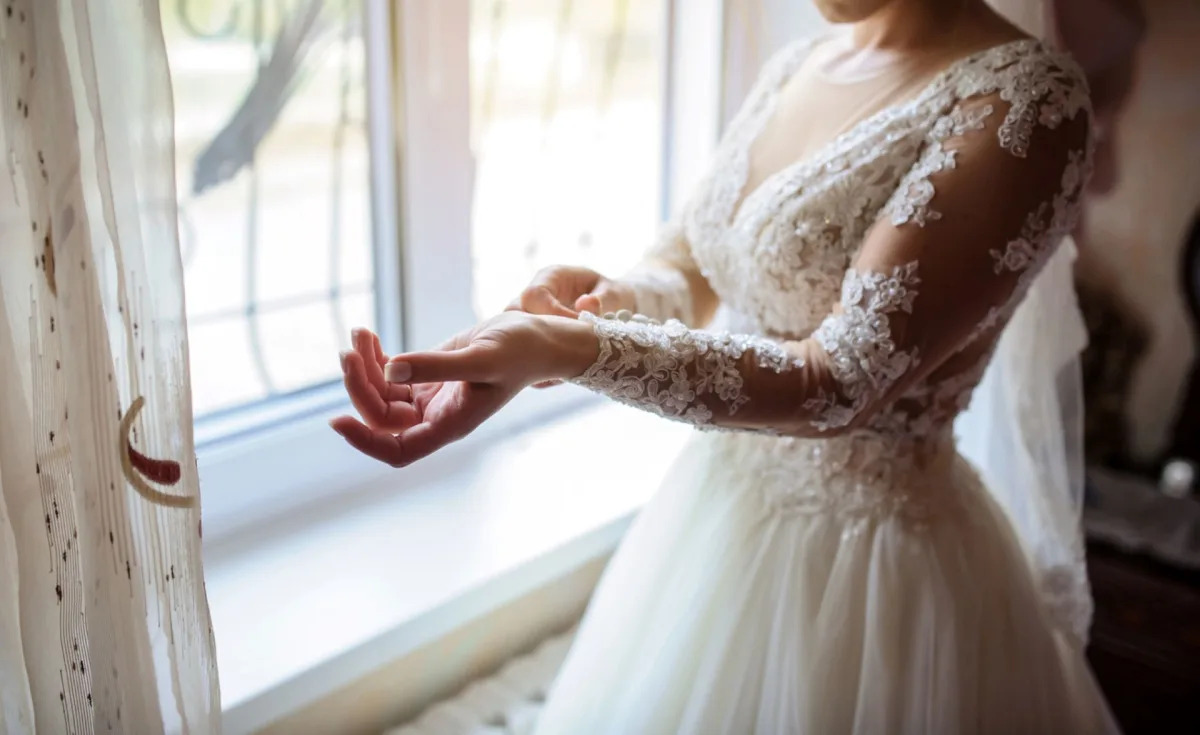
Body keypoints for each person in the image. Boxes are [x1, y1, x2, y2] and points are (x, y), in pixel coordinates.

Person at [332, 0, 1119, 730]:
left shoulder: (1024, 100)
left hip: (871, 577)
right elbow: (693, 269)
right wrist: (591, 303)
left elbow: (837, 382)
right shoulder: (802, 62)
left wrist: (567, 350)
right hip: (719, 513)